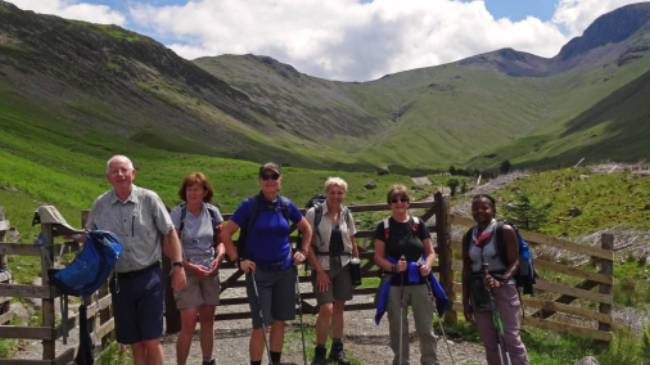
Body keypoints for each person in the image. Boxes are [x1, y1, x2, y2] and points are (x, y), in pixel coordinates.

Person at [87, 155, 186, 365]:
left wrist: (178, 266)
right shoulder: (100, 205)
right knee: (135, 342)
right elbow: (89, 237)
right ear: (108, 177)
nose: (120, 175)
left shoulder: (149, 199)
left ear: (133, 174)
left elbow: (169, 232)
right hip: (120, 280)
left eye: (124, 170)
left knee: (152, 339)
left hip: (149, 276)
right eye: (115, 171)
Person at [222, 162, 312, 365]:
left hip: (284, 271)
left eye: (274, 176)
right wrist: (238, 260)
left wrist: (303, 252)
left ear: (280, 180)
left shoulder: (286, 205)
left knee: (280, 322)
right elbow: (225, 233)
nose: (270, 180)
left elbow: (307, 229)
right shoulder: (249, 206)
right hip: (258, 273)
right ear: (260, 181)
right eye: (266, 176)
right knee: (261, 324)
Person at [373, 184, 439, 365]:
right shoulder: (383, 227)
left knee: (425, 326)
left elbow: (430, 252)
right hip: (395, 282)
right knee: (398, 328)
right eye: (394, 200)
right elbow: (378, 257)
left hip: (419, 280)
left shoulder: (418, 225)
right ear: (389, 204)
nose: (399, 203)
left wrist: (427, 265)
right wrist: (394, 268)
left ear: (408, 203)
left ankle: (430, 361)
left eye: (403, 199)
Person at [462, 194, 529, 365]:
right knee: (489, 341)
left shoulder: (504, 230)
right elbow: (467, 269)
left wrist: (502, 280)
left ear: (493, 210)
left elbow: (515, 262)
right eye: (475, 208)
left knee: (511, 338)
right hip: (479, 291)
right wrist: (465, 300)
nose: (479, 211)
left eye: (484, 207)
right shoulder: (469, 236)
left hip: (504, 288)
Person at [171, 172, 226, 365]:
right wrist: (188, 265)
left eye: (197, 189)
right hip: (187, 271)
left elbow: (221, 242)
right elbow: (172, 244)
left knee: (208, 320)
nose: (192, 193)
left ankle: (207, 360)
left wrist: (219, 258)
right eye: (189, 189)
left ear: (205, 192)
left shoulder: (212, 212)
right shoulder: (179, 213)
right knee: (187, 322)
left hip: (210, 270)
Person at [306, 177, 359, 365]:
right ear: (326, 193)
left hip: (344, 266)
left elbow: (352, 240)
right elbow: (307, 246)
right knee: (326, 308)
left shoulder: (346, 213)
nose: (336, 196)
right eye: (332, 192)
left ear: (344, 194)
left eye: (340, 193)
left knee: (339, 308)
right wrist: (319, 271)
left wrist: (356, 263)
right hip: (323, 267)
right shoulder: (314, 213)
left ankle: (337, 350)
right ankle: (319, 351)